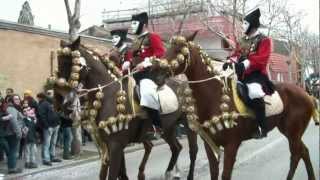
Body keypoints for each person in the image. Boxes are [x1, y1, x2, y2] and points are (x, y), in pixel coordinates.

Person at [223, 8, 274, 138]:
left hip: (257, 75)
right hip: (241, 75)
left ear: (253, 24)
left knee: (254, 92)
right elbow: (236, 54)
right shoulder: (242, 41)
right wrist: (230, 61)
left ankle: (262, 127)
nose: (243, 26)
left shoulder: (264, 40)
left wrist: (245, 64)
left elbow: (262, 60)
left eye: (245, 23)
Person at [124, 12, 166, 133]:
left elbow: (160, 53)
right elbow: (134, 58)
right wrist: (129, 62)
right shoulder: (135, 41)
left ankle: (157, 125)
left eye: (134, 23)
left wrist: (147, 62)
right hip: (135, 73)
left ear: (144, 24)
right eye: (131, 23)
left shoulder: (153, 37)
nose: (132, 26)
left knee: (147, 93)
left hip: (149, 73)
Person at [37, 92, 62, 166]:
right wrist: (47, 126)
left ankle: (52, 156)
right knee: (47, 143)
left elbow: (56, 112)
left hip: (55, 125)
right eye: (50, 94)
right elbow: (42, 116)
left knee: (53, 143)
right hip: (49, 127)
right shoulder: (42, 104)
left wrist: (58, 122)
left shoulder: (52, 103)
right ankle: (46, 159)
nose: (51, 95)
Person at [2, 96, 24, 173]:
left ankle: (12, 167)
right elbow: (13, 121)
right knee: (13, 151)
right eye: (16, 99)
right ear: (12, 101)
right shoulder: (11, 108)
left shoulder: (13, 108)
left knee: (12, 151)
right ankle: (12, 168)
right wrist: (19, 133)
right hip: (12, 133)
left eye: (18, 99)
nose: (18, 100)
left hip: (9, 133)